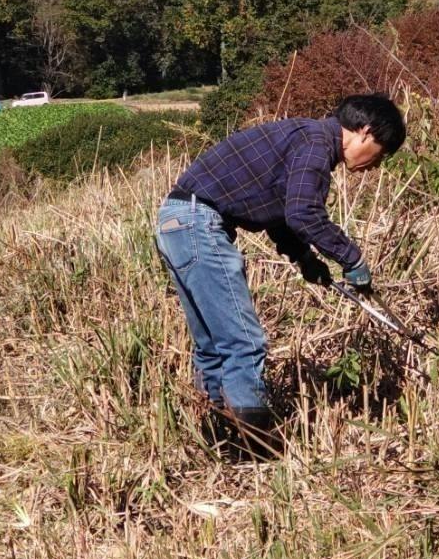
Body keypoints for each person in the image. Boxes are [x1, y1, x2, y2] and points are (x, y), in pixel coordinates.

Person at [155, 92, 406, 449]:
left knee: (213, 344)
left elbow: (280, 213)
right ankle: (256, 446)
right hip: (199, 225)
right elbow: (303, 212)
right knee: (244, 341)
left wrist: (305, 259)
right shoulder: (317, 144)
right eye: (380, 154)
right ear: (364, 132)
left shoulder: (305, 137)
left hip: (175, 221)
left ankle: (218, 435)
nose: (375, 166)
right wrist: (352, 258)